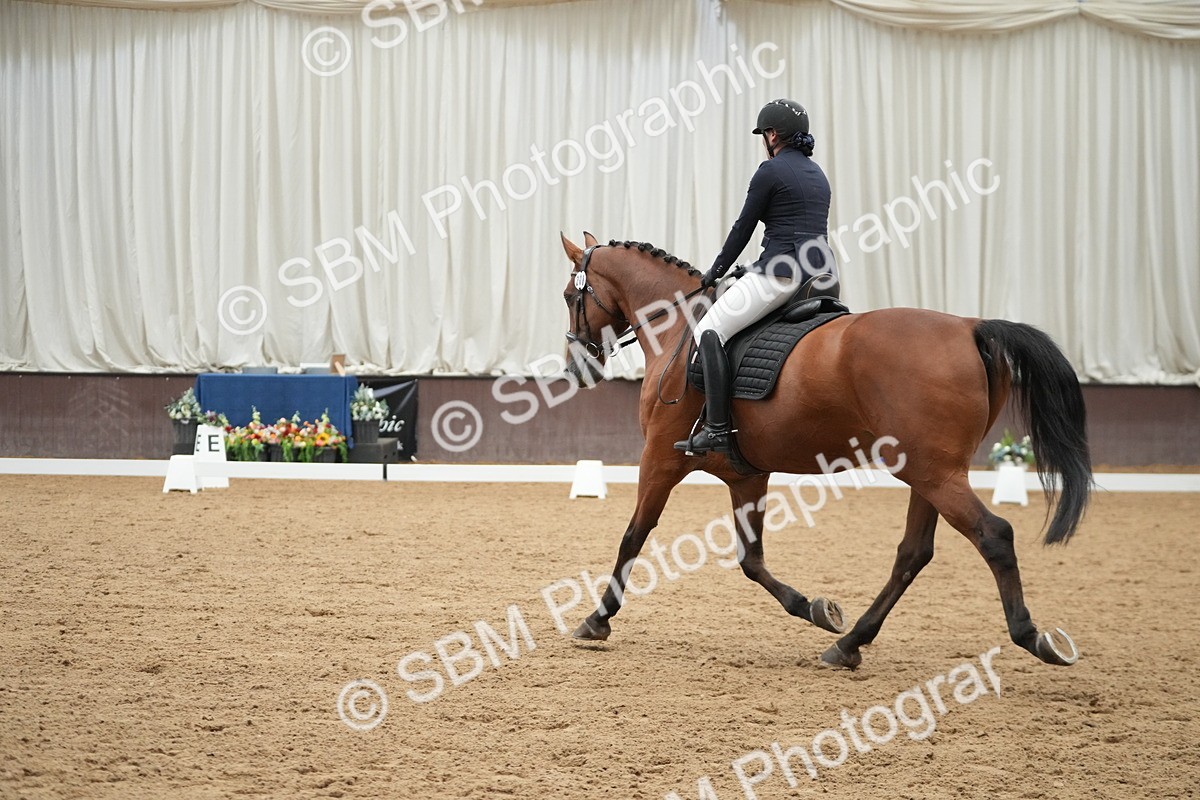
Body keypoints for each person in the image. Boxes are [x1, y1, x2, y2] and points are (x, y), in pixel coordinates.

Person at [675, 98, 837, 456]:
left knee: (708, 331)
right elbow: (796, 228)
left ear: (772, 134)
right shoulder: (818, 175)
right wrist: (752, 267)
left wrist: (714, 273)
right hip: (821, 274)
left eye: (764, 134)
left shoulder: (771, 171)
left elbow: (742, 229)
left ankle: (716, 429)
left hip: (781, 275)